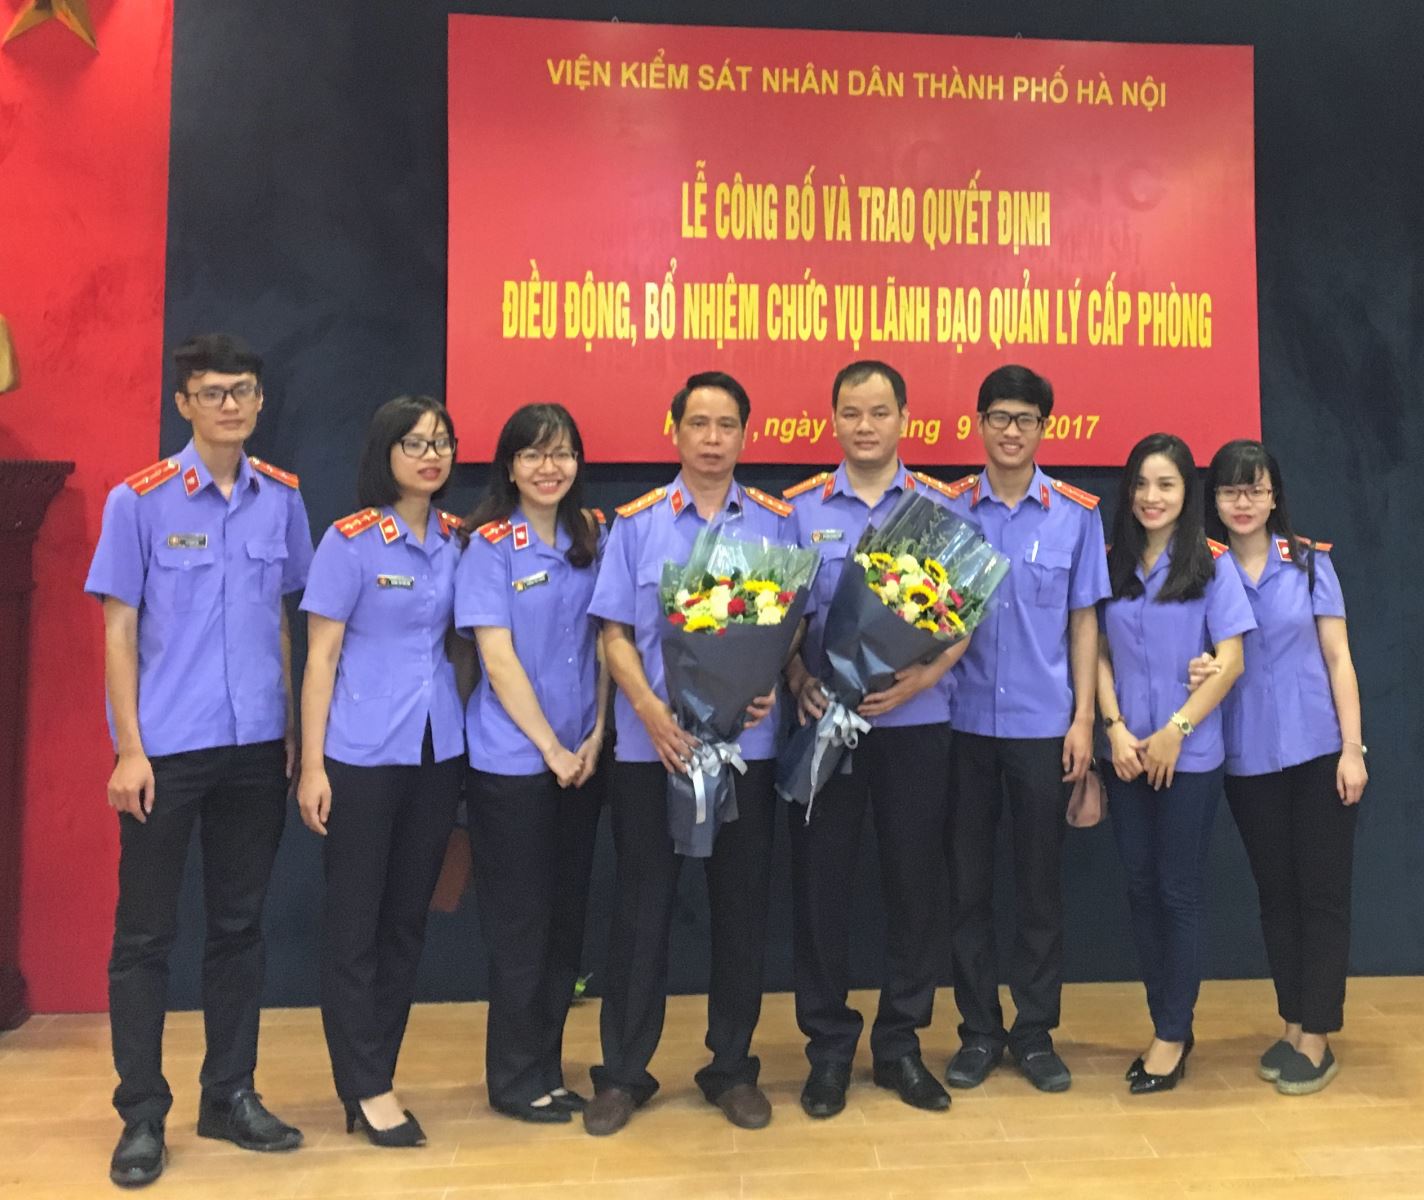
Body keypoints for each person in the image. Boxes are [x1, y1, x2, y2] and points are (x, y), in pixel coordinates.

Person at [85, 334, 312, 1188]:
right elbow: (118, 630)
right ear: (183, 403)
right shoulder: (138, 500)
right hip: (167, 752)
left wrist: (289, 729)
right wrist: (128, 749)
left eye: (242, 391)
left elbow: (283, 620)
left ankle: (230, 1095)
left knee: (239, 928)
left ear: (259, 401)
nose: (229, 405)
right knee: (145, 936)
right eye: (213, 392)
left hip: (254, 746)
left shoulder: (281, 498)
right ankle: (142, 1112)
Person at [581, 371, 790, 1136]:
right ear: (674, 431)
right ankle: (623, 1074)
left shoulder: (775, 523)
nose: (711, 438)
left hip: (745, 748)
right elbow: (613, 632)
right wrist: (647, 709)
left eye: (726, 425)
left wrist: (765, 681)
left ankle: (731, 1068)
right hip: (653, 751)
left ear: (745, 435)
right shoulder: (637, 524)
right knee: (641, 913)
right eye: (698, 423)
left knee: (741, 910)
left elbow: (791, 625)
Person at [780, 361, 969, 1118]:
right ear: (833, 419)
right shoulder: (799, 510)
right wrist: (798, 675)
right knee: (820, 889)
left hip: (915, 727)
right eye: (852, 413)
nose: (866, 426)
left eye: (880, 412)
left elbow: (964, 615)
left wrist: (924, 679)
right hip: (825, 726)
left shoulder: (940, 507)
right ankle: (828, 1049)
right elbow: (780, 618)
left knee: (914, 886)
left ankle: (900, 1045)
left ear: (904, 419)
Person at [297, 395, 469, 1146]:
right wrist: (311, 766)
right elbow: (320, 659)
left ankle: (377, 1074)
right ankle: (364, 1084)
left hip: (438, 751)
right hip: (361, 753)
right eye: (415, 443)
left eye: (442, 442)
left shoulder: (460, 539)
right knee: (354, 924)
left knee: (406, 921)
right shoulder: (351, 540)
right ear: (385, 452)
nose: (431, 455)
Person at [939, 365, 1111, 1094]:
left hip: (1045, 727)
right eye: (999, 417)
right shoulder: (944, 510)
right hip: (960, 724)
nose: (1012, 431)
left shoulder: (1075, 515)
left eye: (1026, 419)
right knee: (966, 887)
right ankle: (979, 1031)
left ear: (1046, 427)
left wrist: (1083, 721)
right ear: (978, 423)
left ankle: (1035, 1033)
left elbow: (1084, 621)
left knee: (1039, 888)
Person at [1196, 439, 1366, 1094]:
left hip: (1320, 751)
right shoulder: (1204, 570)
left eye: (1255, 489)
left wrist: (1352, 748)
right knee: (1277, 895)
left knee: (1322, 894)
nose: (1242, 502)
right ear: (1214, 501)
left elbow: (1339, 658)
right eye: (1230, 491)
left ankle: (1318, 1034)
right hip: (1248, 758)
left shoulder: (1310, 562)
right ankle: (1294, 1021)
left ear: (1274, 497)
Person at [455, 403, 609, 1123]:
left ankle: (547, 1064)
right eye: (533, 455)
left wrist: (598, 733)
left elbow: (609, 641)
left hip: (583, 759)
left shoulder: (593, 537)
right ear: (510, 467)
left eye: (562, 453)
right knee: (521, 925)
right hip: (515, 762)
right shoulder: (489, 546)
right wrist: (550, 747)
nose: (550, 468)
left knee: (564, 923)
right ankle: (515, 1078)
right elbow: (497, 657)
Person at [1097, 432, 1255, 1094]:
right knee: (1139, 887)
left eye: (1165, 484)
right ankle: (1167, 1019)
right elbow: (1097, 652)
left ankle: (1170, 1033)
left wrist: (1175, 731)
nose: (1151, 496)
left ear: (1187, 492)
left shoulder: (1212, 566)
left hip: (1189, 757)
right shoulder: (1111, 562)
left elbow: (1231, 661)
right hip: (1127, 755)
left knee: (1178, 890)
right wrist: (1115, 728)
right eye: (1140, 483)